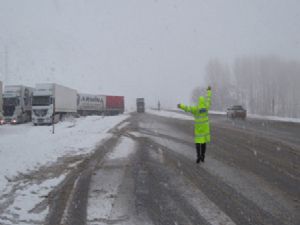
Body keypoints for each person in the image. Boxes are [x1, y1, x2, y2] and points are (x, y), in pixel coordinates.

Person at [177, 86, 212, 163]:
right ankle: (203, 156)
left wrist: (180, 106)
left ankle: (198, 156)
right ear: (203, 102)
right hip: (205, 129)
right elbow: (208, 99)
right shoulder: (206, 107)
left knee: (198, 143)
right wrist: (209, 91)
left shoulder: (196, 109)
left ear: (199, 102)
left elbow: (187, 108)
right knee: (203, 143)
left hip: (198, 129)